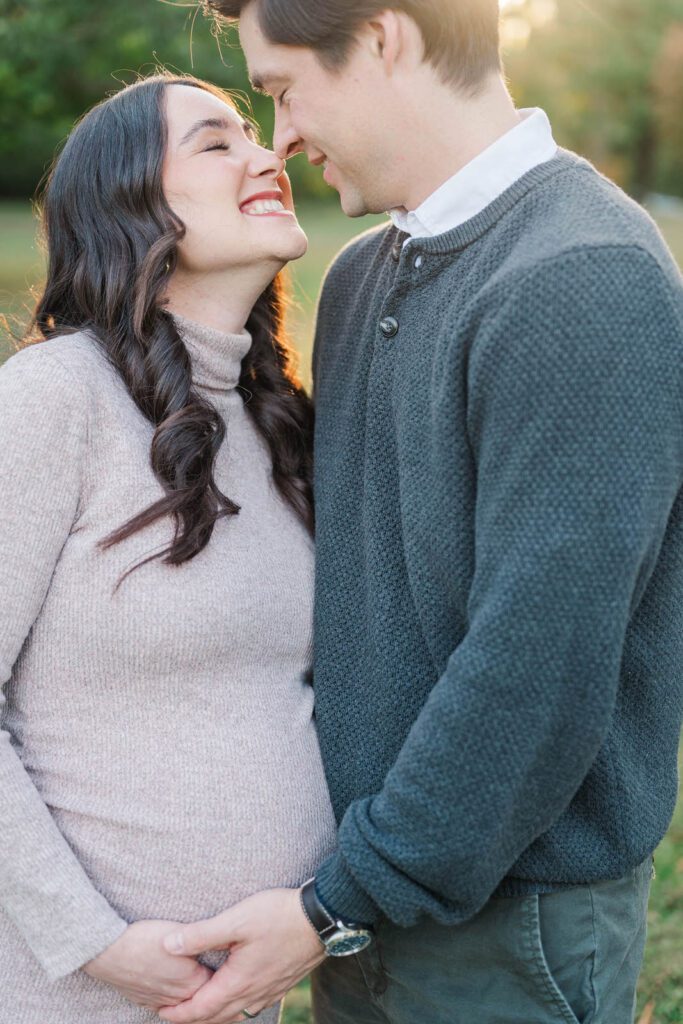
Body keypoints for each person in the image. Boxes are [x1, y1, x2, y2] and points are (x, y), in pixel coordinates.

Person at [154, 1, 683, 1022]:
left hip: (509, 930)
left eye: (282, 89)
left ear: (385, 38)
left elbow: (536, 668)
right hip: (370, 898)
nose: (281, 139)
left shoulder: (580, 276)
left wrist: (333, 903)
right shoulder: (359, 275)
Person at [0, 71, 337, 1023]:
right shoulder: (54, 400)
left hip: (239, 996)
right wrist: (95, 943)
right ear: (130, 204)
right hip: (68, 992)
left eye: (253, 132)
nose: (267, 153)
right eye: (216, 141)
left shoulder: (278, 422)